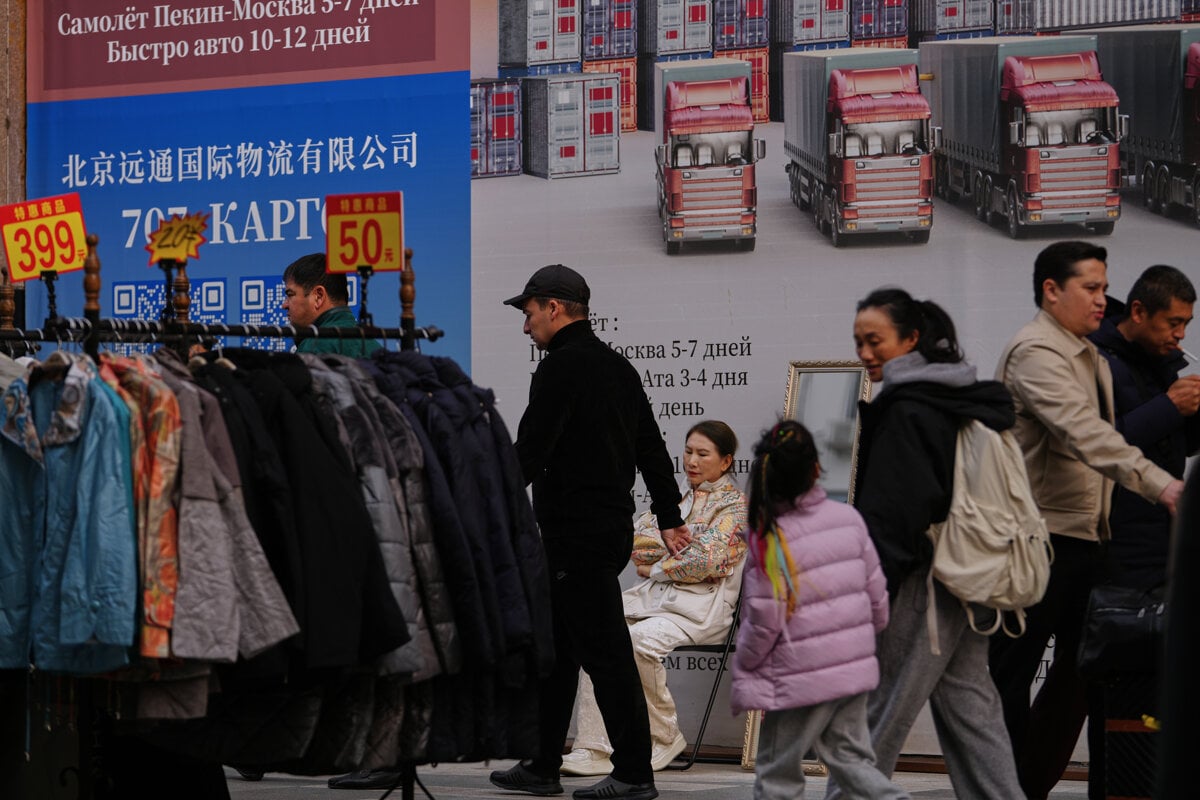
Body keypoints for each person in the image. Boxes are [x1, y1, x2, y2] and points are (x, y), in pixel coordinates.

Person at [989, 241, 1183, 800]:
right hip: (1037, 544)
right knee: (1008, 681)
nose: (1104, 300)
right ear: (1052, 291)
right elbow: (1086, 434)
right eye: (1091, 289)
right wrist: (1163, 485)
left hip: (1084, 545)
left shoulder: (1085, 353)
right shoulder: (1036, 352)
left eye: (1104, 287)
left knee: (1093, 682)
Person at [490, 264, 689, 800]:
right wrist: (669, 516)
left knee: (604, 653)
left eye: (529, 313)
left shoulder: (561, 368)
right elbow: (651, 446)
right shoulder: (618, 367)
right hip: (602, 529)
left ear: (554, 307)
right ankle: (541, 762)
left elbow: (532, 450)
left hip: (573, 533)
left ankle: (633, 773)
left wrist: (484, 503)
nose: (525, 325)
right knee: (556, 650)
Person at [825, 288, 1025, 800]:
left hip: (921, 581)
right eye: (859, 341)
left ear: (912, 339)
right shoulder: (957, 397)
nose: (865, 353)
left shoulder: (908, 407)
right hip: (967, 573)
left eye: (876, 341)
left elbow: (895, 514)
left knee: (877, 712)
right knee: (972, 710)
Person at [731, 420, 908, 800]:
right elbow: (878, 596)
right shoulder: (849, 519)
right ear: (816, 469)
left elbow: (764, 620)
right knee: (853, 761)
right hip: (852, 669)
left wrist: (746, 663)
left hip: (796, 676)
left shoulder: (770, 540)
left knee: (779, 772)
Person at [562, 420, 748, 777]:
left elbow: (707, 560)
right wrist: (677, 551)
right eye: (689, 452)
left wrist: (660, 567)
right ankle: (595, 746)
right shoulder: (676, 498)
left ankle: (663, 736)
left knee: (635, 642)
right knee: (598, 637)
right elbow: (637, 542)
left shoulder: (737, 507)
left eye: (702, 454)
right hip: (655, 601)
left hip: (700, 610)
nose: (692, 461)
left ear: (725, 462)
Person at [1083, 265, 1200, 799]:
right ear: (1137, 312)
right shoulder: (1097, 362)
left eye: (1186, 326)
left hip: (1161, 544)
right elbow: (1101, 447)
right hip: (1114, 544)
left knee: (1153, 680)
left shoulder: (1164, 362)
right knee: (1105, 682)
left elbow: (1176, 445)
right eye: (1172, 324)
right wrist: (1169, 405)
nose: (1179, 336)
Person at [281, 252, 381, 357]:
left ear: (318, 296)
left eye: (290, 295)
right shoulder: (373, 346)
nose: (284, 305)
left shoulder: (314, 346)